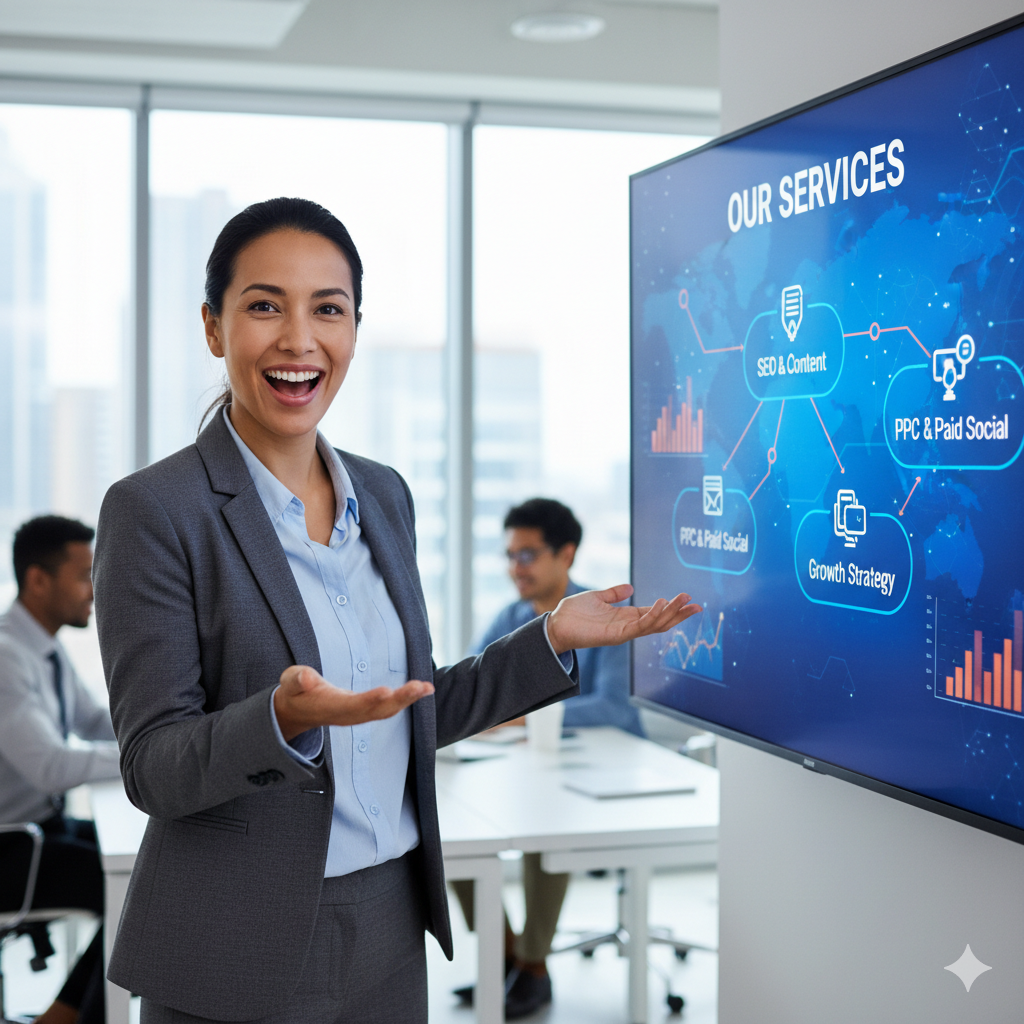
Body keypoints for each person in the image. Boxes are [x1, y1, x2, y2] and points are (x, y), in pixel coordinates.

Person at [92, 197, 699, 1024]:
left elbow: (411, 710)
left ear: (353, 330)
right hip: (238, 937)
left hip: (387, 926)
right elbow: (153, 764)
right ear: (213, 326)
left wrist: (553, 635)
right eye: (264, 305)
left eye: (328, 310)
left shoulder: (382, 495)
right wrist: (279, 718)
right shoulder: (156, 511)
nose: (299, 339)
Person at [451, 497, 642, 1017]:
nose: (517, 568)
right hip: (522, 767)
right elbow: (472, 693)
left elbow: (614, 710)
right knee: (450, 832)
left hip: (597, 772)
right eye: (510, 556)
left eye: (528, 555)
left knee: (546, 827)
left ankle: (532, 968)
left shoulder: (604, 618)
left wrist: (523, 715)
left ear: (567, 554)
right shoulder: (511, 617)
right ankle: (505, 954)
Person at [0, 515, 121, 1024]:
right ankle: (71, 1017)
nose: (94, 590)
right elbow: (51, 767)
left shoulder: (42, 647)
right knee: (133, 891)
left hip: (37, 831)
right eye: (83, 575)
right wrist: (154, 758)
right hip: (11, 849)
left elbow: (93, 721)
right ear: (38, 580)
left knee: (150, 865)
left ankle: (65, 1012)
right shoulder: (7, 658)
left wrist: (168, 729)